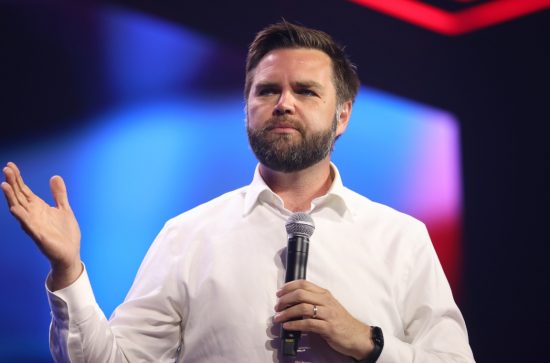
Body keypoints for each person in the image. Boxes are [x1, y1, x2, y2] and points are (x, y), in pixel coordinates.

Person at [1, 22, 475, 363]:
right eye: (267, 90)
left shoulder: (401, 238)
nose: (284, 103)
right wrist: (67, 270)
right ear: (245, 108)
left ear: (343, 115)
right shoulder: (186, 236)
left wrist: (370, 343)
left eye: (307, 91)